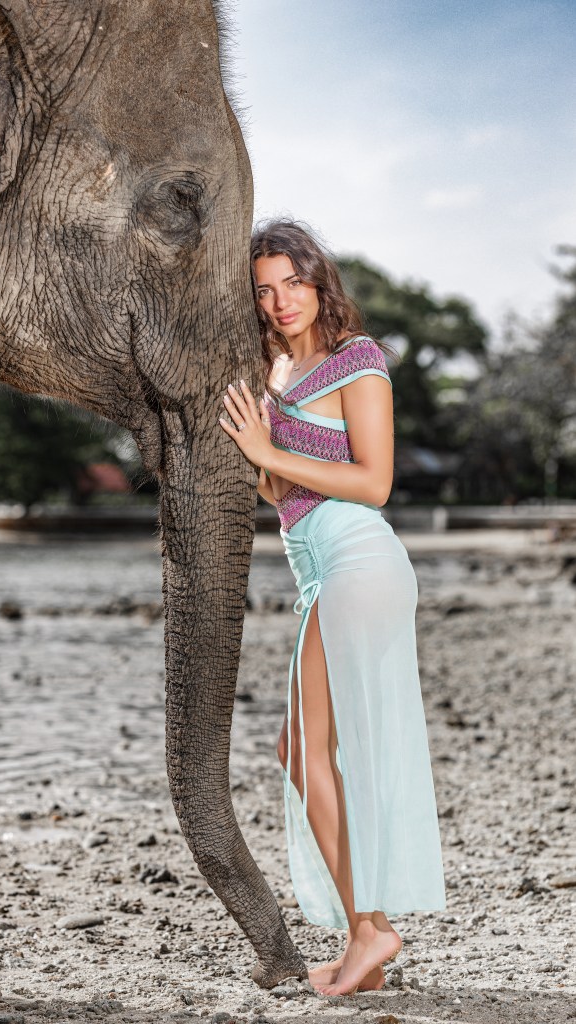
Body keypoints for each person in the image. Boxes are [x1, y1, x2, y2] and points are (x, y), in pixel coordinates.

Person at [219, 220, 446, 997]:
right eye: (264, 288)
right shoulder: (276, 371)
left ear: (320, 281)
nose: (280, 300)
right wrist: (256, 457)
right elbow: (285, 492)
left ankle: (368, 930)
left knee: (302, 750)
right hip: (318, 567)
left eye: (292, 281)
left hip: (358, 557)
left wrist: (267, 452)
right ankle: (367, 940)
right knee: (307, 751)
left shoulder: (359, 359)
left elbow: (373, 480)